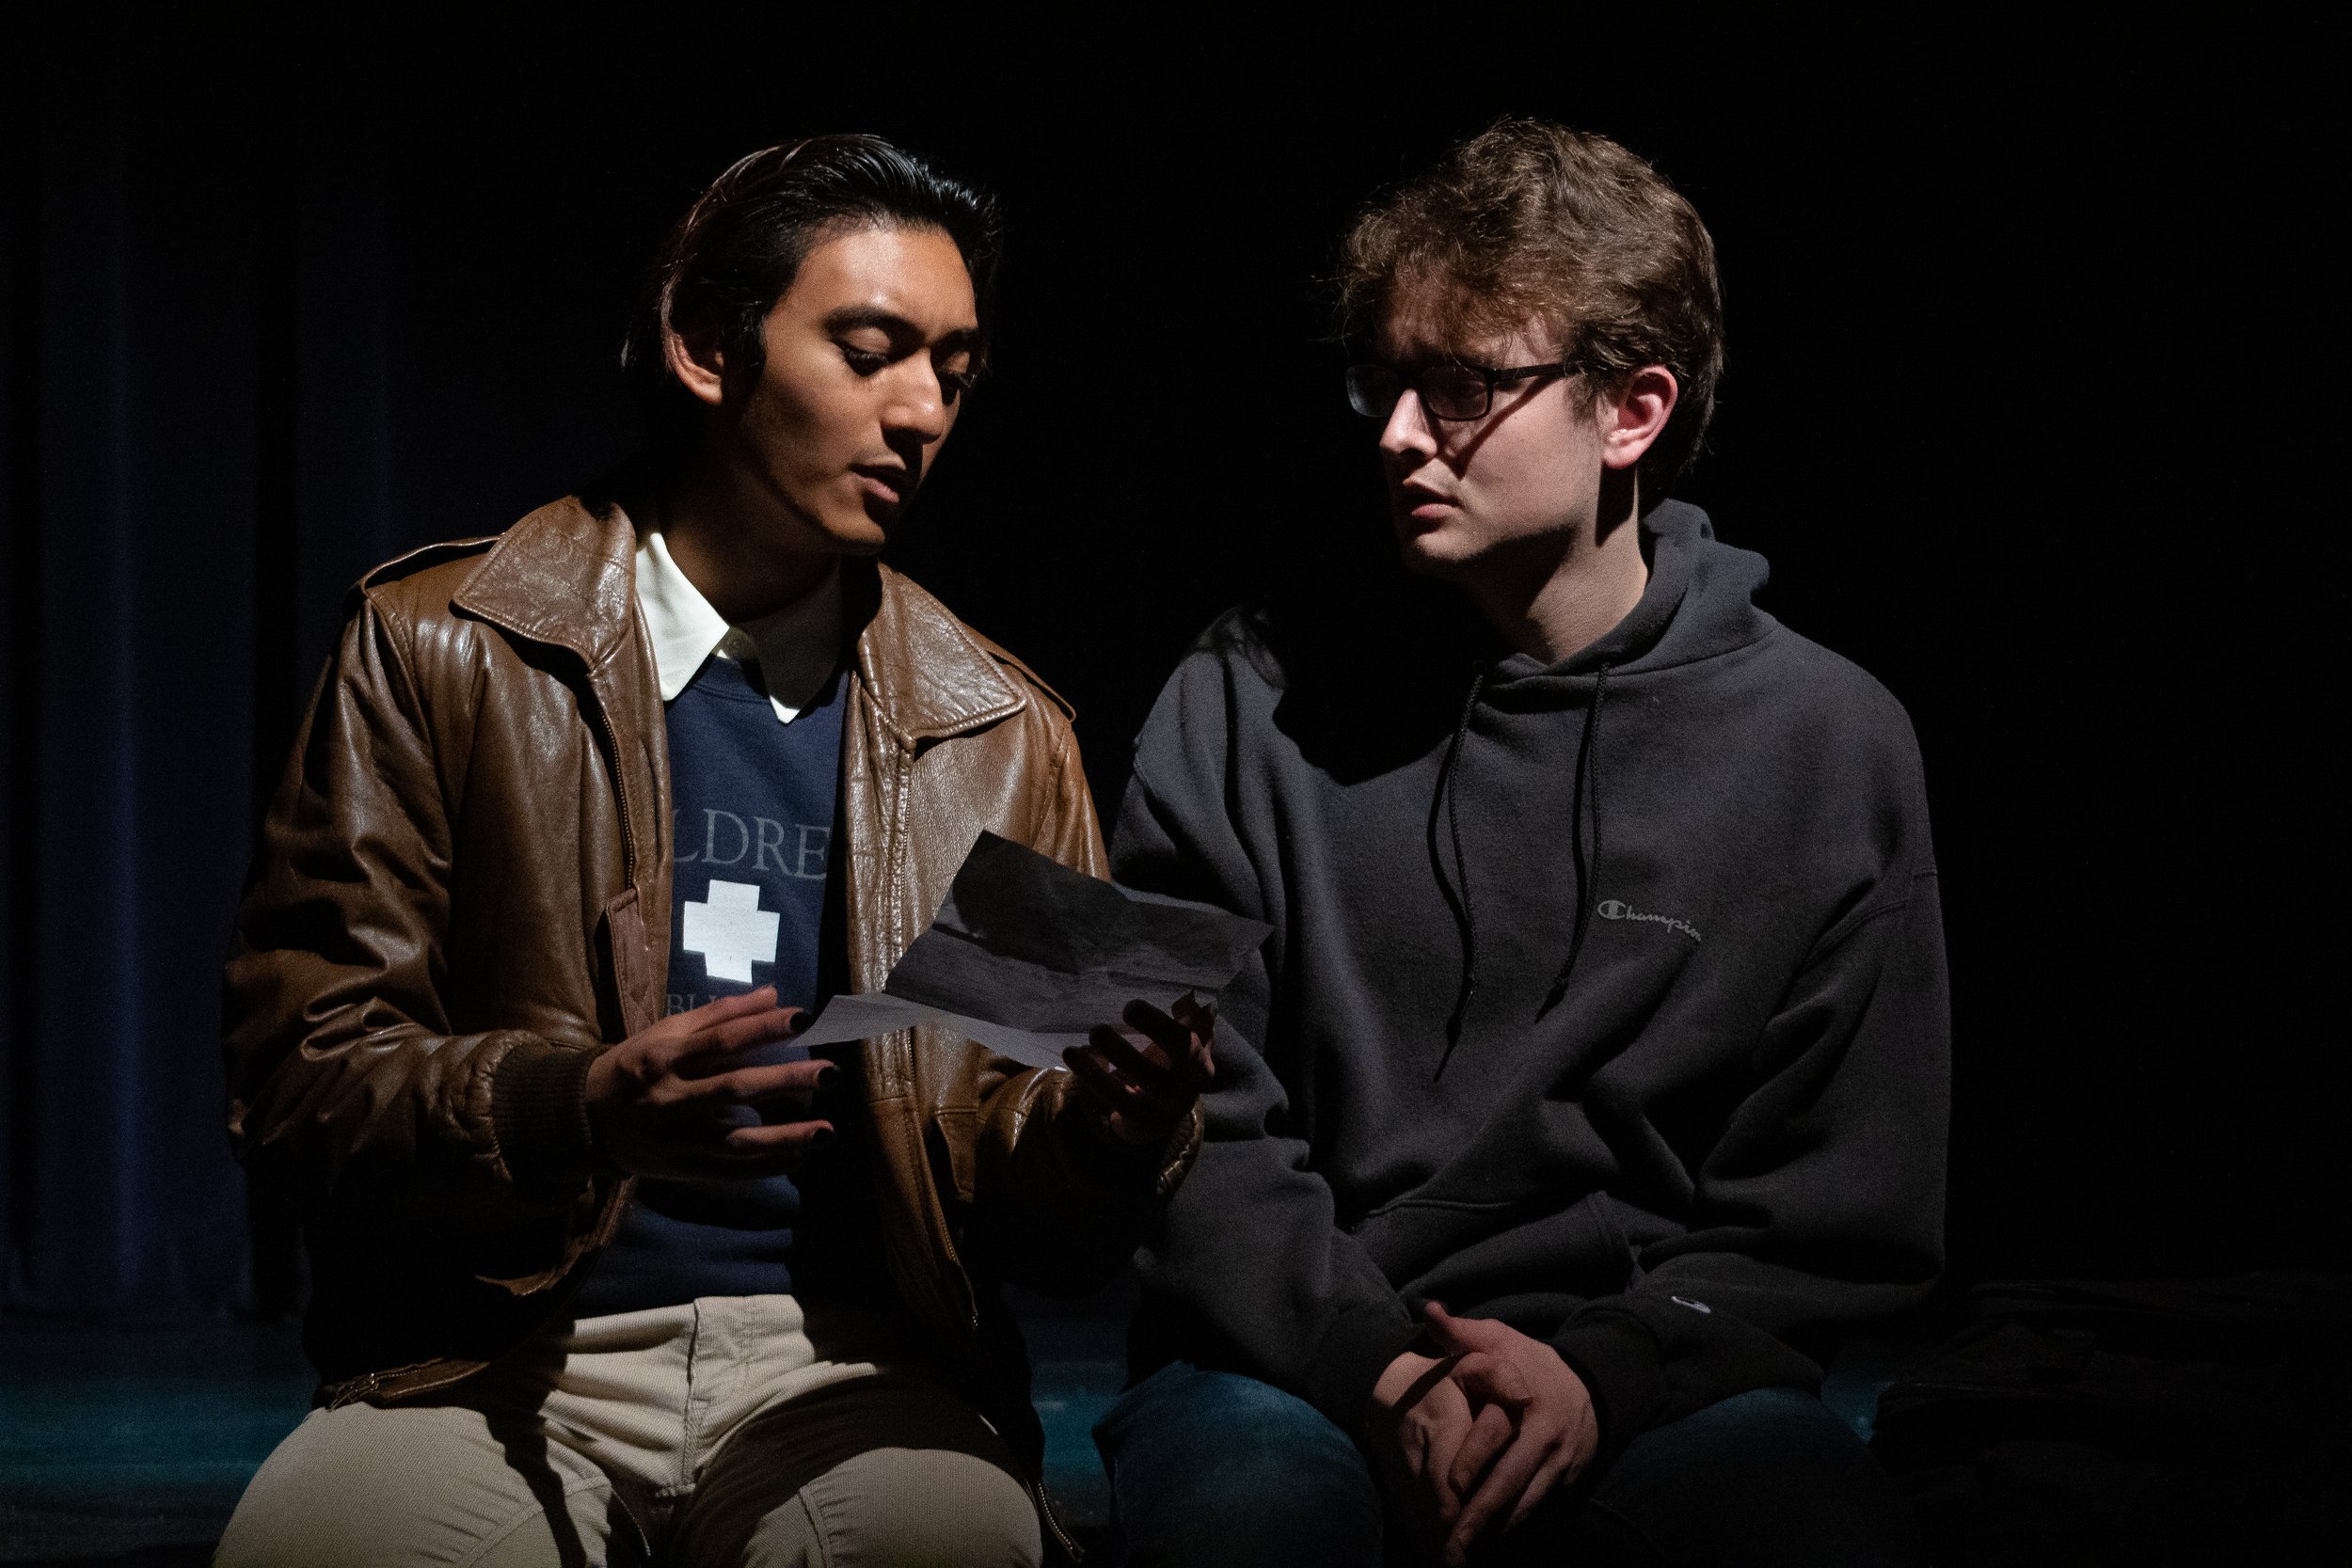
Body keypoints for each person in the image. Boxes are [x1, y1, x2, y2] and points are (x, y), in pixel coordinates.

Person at [217, 135, 1211, 1568]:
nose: (922, 409)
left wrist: (1111, 1130)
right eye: (871, 350)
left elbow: (1036, 1226)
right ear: (703, 345)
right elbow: (298, 1077)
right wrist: (574, 1106)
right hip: (488, 1361)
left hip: (857, 1373)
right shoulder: (443, 648)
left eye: (955, 368)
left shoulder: (999, 730)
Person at [1094, 120, 1946, 1566]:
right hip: (1285, 1358)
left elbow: (1834, 1205)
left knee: (1797, 1523)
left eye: (1465, 387)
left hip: (1660, 1372)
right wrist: (1385, 1370)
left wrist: (1610, 1373)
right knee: (1253, 1522)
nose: (1398, 434)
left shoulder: (1827, 742)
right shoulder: (1242, 697)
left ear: (1632, 413)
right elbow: (1192, 1127)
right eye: (1384, 380)